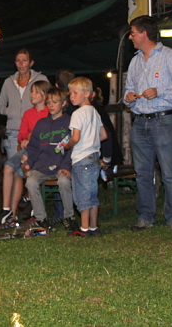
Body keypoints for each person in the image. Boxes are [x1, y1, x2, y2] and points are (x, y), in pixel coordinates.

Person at [123, 16, 172, 232]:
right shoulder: (135, 61)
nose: (130, 37)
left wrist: (159, 91)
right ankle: (145, 216)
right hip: (140, 122)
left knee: (169, 172)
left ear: (144, 34)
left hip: (165, 121)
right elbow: (128, 89)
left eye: (133, 33)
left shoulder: (171, 57)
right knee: (143, 173)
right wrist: (128, 97)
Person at [0, 80, 51, 227]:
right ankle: (6, 210)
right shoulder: (28, 114)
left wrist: (33, 137)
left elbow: (48, 135)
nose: (32, 95)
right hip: (28, 149)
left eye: (36, 92)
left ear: (44, 95)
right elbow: (21, 137)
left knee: (23, 170)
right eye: (31, 91)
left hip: (43, 152)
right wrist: (26, 139)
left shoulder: (49, 113)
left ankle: (30, 206)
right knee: (9, 166)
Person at [58, 76, 108, 237]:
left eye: (75, 93)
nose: (71, 96)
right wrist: (91, 140)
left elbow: (75, 138)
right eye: (70, 93)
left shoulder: (78, 114)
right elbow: (103, 135)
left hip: (81, 159)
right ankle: (93, 226)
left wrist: (67, 145)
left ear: (87, 94)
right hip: (94, 157)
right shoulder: (94, 112)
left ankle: (84, 228)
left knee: (82, 194)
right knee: (92, 193)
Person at [22, 87, 74, 230]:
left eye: (55, 102)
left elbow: (71, 148)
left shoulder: (69, 122)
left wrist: (66, 166)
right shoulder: (41, 124)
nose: (51, 105)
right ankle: (41, 218)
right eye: (49, 102)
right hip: (43, 165)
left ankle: (69, 217)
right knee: (31, 181)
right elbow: (33, 147)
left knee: (63, 182)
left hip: (62, 165)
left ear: (63, 103)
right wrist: (29, 163)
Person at [0, 49, 49, 159]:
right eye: (17, 60)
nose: (20, 64)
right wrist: (10, 111)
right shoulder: (8, 82)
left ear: (31, 63)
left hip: (35, 131)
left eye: (24, 60)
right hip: (13, 131)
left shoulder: (41, 79)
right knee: (14, 166)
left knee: (35, 165)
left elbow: (50, 101)